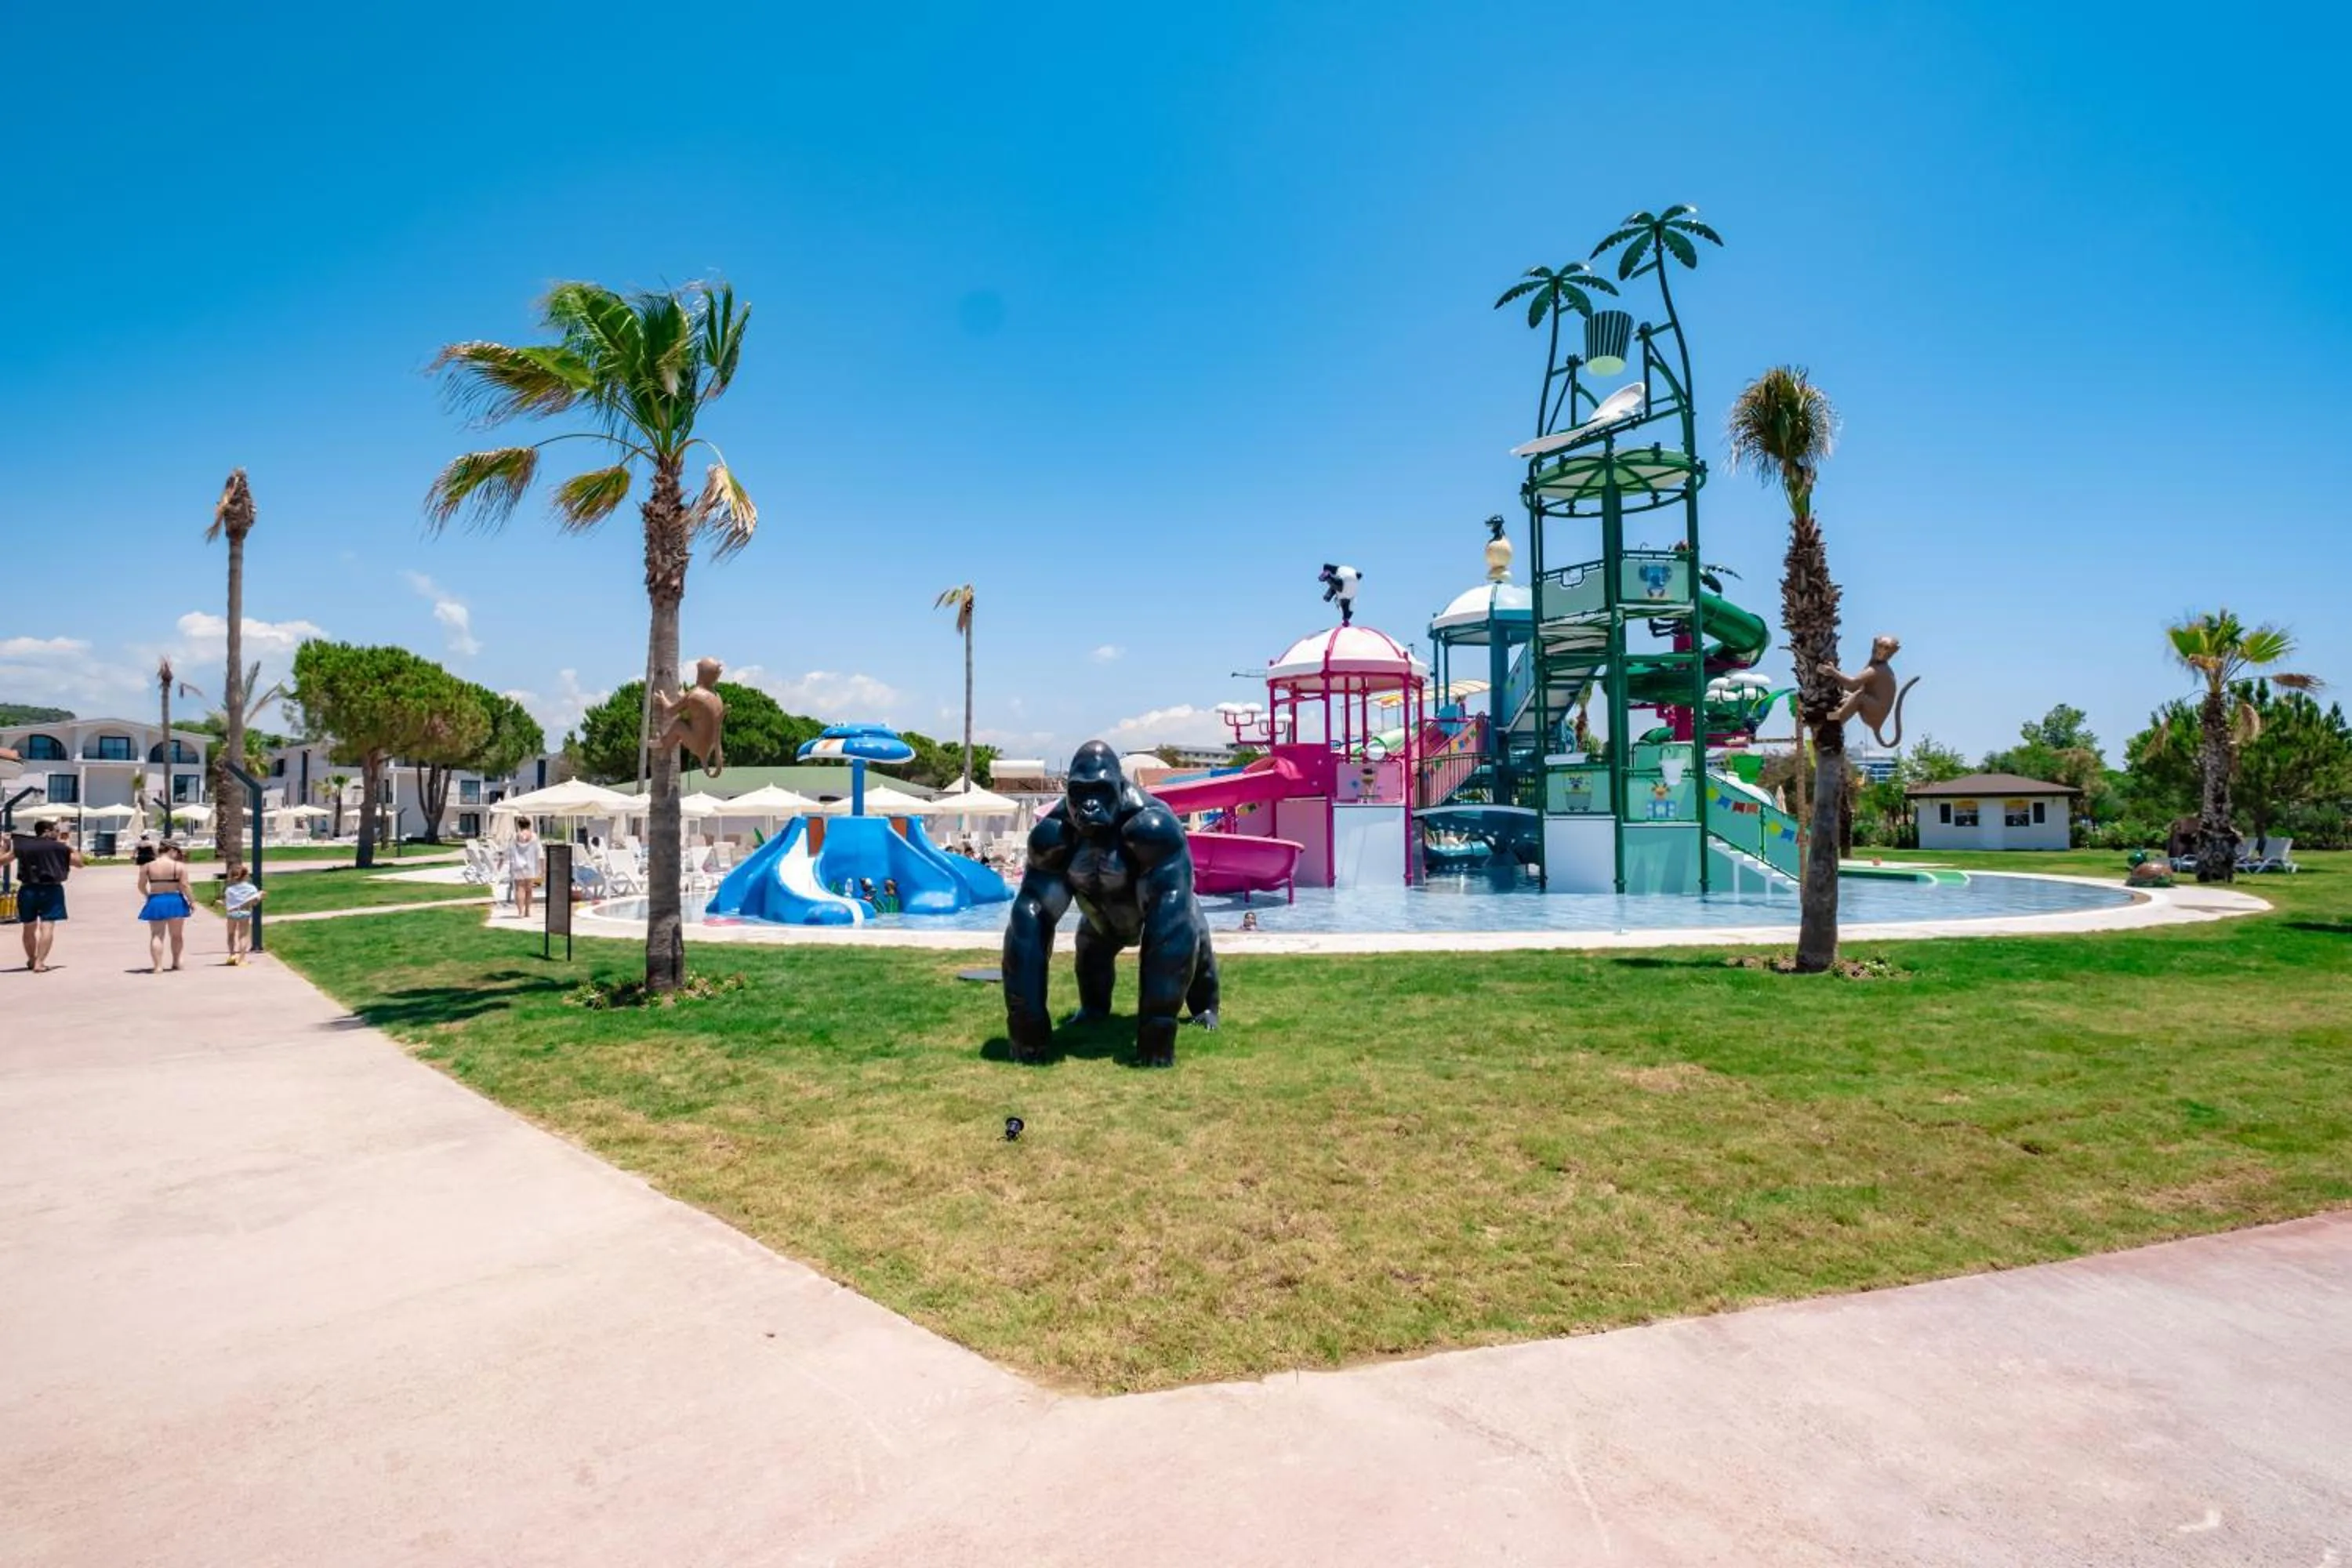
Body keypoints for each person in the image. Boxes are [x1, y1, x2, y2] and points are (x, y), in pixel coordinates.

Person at [2, 819, 82, 973]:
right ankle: (40, 963)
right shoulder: (59, 847)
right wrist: (71, 847)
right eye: (56, 830)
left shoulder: (23, 846)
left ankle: (32, 959)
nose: (58, 833)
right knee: (47, 926)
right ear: (47, 831)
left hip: (28, 889)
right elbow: (79, 863)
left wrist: (5, 846)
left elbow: (2, 861)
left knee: (28, 927)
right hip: (52, 890)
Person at [136, 840, 196, 973]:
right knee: (177, 935)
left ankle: (158, 966)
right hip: (175, 900)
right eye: (177, 852)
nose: (177, 855)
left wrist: (148, 895)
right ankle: (177, 961)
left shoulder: (147, 866)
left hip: (156, 899)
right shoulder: (179, 866)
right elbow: (185, 885)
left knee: (156, 935)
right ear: (171, 850)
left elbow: (141, 885)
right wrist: (192, 901)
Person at [222, 861, 263, 965]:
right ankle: (242, 958)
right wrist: (260, 896)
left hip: (232, 913)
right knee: (243, 935)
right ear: (246, 876)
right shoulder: (251, 888)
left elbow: (226, 902)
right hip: (244, 912)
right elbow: (254, 902)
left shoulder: (229, 889)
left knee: (231, 934)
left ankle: (232, 955)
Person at [506, 821, 543, 918]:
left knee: (520, 889)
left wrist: (504, 863)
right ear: (529, 825)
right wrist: (542, 867)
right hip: (531, 866)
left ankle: (520, 912)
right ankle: (527, 911)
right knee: (529, 889)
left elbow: (509, 851)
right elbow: (540, 853)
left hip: (517, 866)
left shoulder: (514, 836)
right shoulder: (534, 837)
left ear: (519, 825)